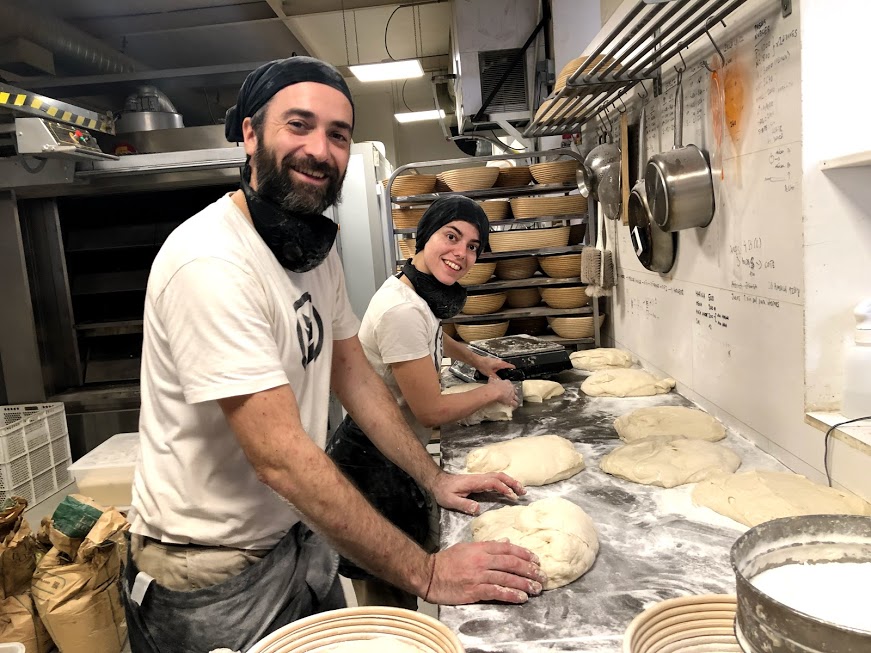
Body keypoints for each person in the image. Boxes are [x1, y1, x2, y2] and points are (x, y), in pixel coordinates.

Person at [120, 56, 546, 653]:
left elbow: (354, 374)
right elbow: (282, 460)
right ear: (249, 133)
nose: (320, 150)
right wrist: (426, 572)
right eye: (298, 125)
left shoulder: (312, 251)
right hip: (213, 576)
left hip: (299, 534)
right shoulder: (212, 263)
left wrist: (432, 478)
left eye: (338, 134)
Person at [327, 196, 522, 610]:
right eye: (451, 236)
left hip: (392, 452)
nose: (462, 253)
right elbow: (429, 411)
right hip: (373, 465)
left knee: (401, 585)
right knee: (389, 605)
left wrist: (474, 357)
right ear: (424, 237)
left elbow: (432, 334)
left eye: (472, 246)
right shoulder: (402, 310)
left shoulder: (412, 289)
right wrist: (494, 391)